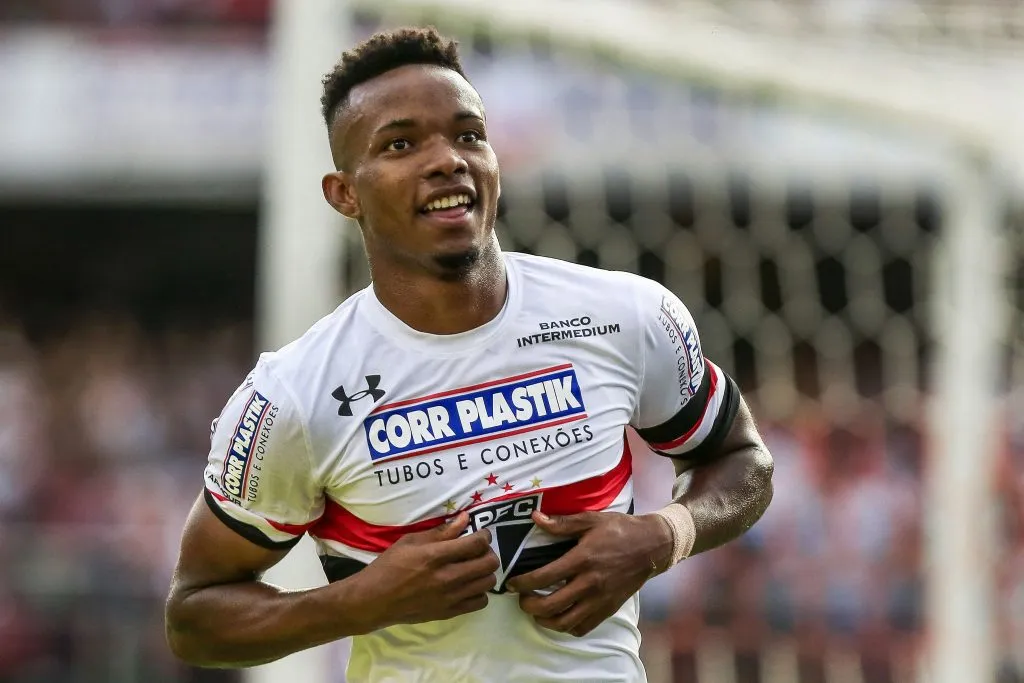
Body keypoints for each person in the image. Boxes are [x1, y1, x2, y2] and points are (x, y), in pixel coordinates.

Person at [164, 27, 774, 683]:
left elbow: (742, 460)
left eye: (468, 134)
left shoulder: (623, 316)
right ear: (344, 193)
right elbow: (195, 616)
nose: (447, 159)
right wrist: (362, 600)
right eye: (401, 144)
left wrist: (664, 536)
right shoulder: (294, 395)